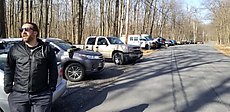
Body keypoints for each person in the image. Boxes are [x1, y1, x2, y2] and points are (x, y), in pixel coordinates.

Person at [4, 22, 58, 112]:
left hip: (41, 95)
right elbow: (9, 68)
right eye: (21, 30)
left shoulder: (46, 49)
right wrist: (8, 86)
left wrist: (52, 87)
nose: (23, 32)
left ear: (35, 33)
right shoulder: (15, 49)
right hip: (18, 95)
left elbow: (53, 69)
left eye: (26, 29)